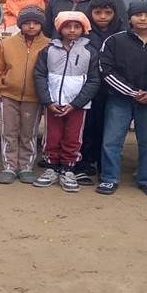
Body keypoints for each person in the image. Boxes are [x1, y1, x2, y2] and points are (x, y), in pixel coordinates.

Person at [98, 0, 147, 196]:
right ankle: (109, 178)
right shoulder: (115, 40)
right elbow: (106, 70)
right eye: (138, 15)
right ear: (129, 17)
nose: (143, 19)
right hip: (119, 98)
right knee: (112, 140)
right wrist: (132, 92)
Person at [33, 11, 100, 193]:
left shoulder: (89, 52)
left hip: (77, 105)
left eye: (76, 27)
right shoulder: (48, 50)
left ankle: (68, 169)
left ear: (83, 29)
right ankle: (51, 167)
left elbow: (94, 80)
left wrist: (76, 103)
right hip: (53, 103)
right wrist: (47, 101)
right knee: (52, 136)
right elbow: (40, 75)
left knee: (73, 137)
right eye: (67, 26)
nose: (71, 30)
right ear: (59, 29)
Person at [0, 6, 49, 184]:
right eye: (27, 23)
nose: (31, 26)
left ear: (41, 25)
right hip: (8, 96)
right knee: (8, 132)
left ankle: (26, 167)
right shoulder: (7, 44)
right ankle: (9, 167)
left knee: (28, 133)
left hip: (34, 98)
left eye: (36, 23)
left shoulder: (49, 45)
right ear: (20, 25)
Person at [75, 0, 124, 183]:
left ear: (115, 13)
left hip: (113, 88)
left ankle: (104, 164)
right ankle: (84, 162)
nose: (102, 17)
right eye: (97, 12)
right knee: (86, 126)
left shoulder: (122, 32)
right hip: (87, 86)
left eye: (107, 13)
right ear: (90, 13)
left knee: (108, 127)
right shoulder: (82, 32)